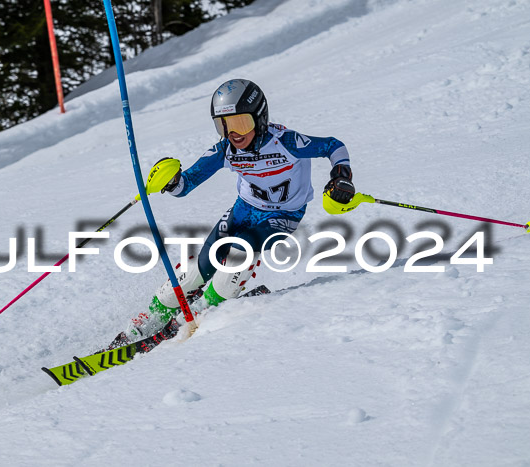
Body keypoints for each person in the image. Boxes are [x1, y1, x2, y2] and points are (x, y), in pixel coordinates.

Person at [108, 78, 356, 350]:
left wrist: (341, 176)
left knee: (241, 249)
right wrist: (170, 180)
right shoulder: (225, 149)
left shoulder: (287, 142)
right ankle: (153, 315)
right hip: (243, 210)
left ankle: (203, 308)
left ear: (260, 119)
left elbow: (334, 145)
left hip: (281, 217)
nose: (234, 134)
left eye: (241, 124)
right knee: (201, 268)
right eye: (224, 125)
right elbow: (185, 185)